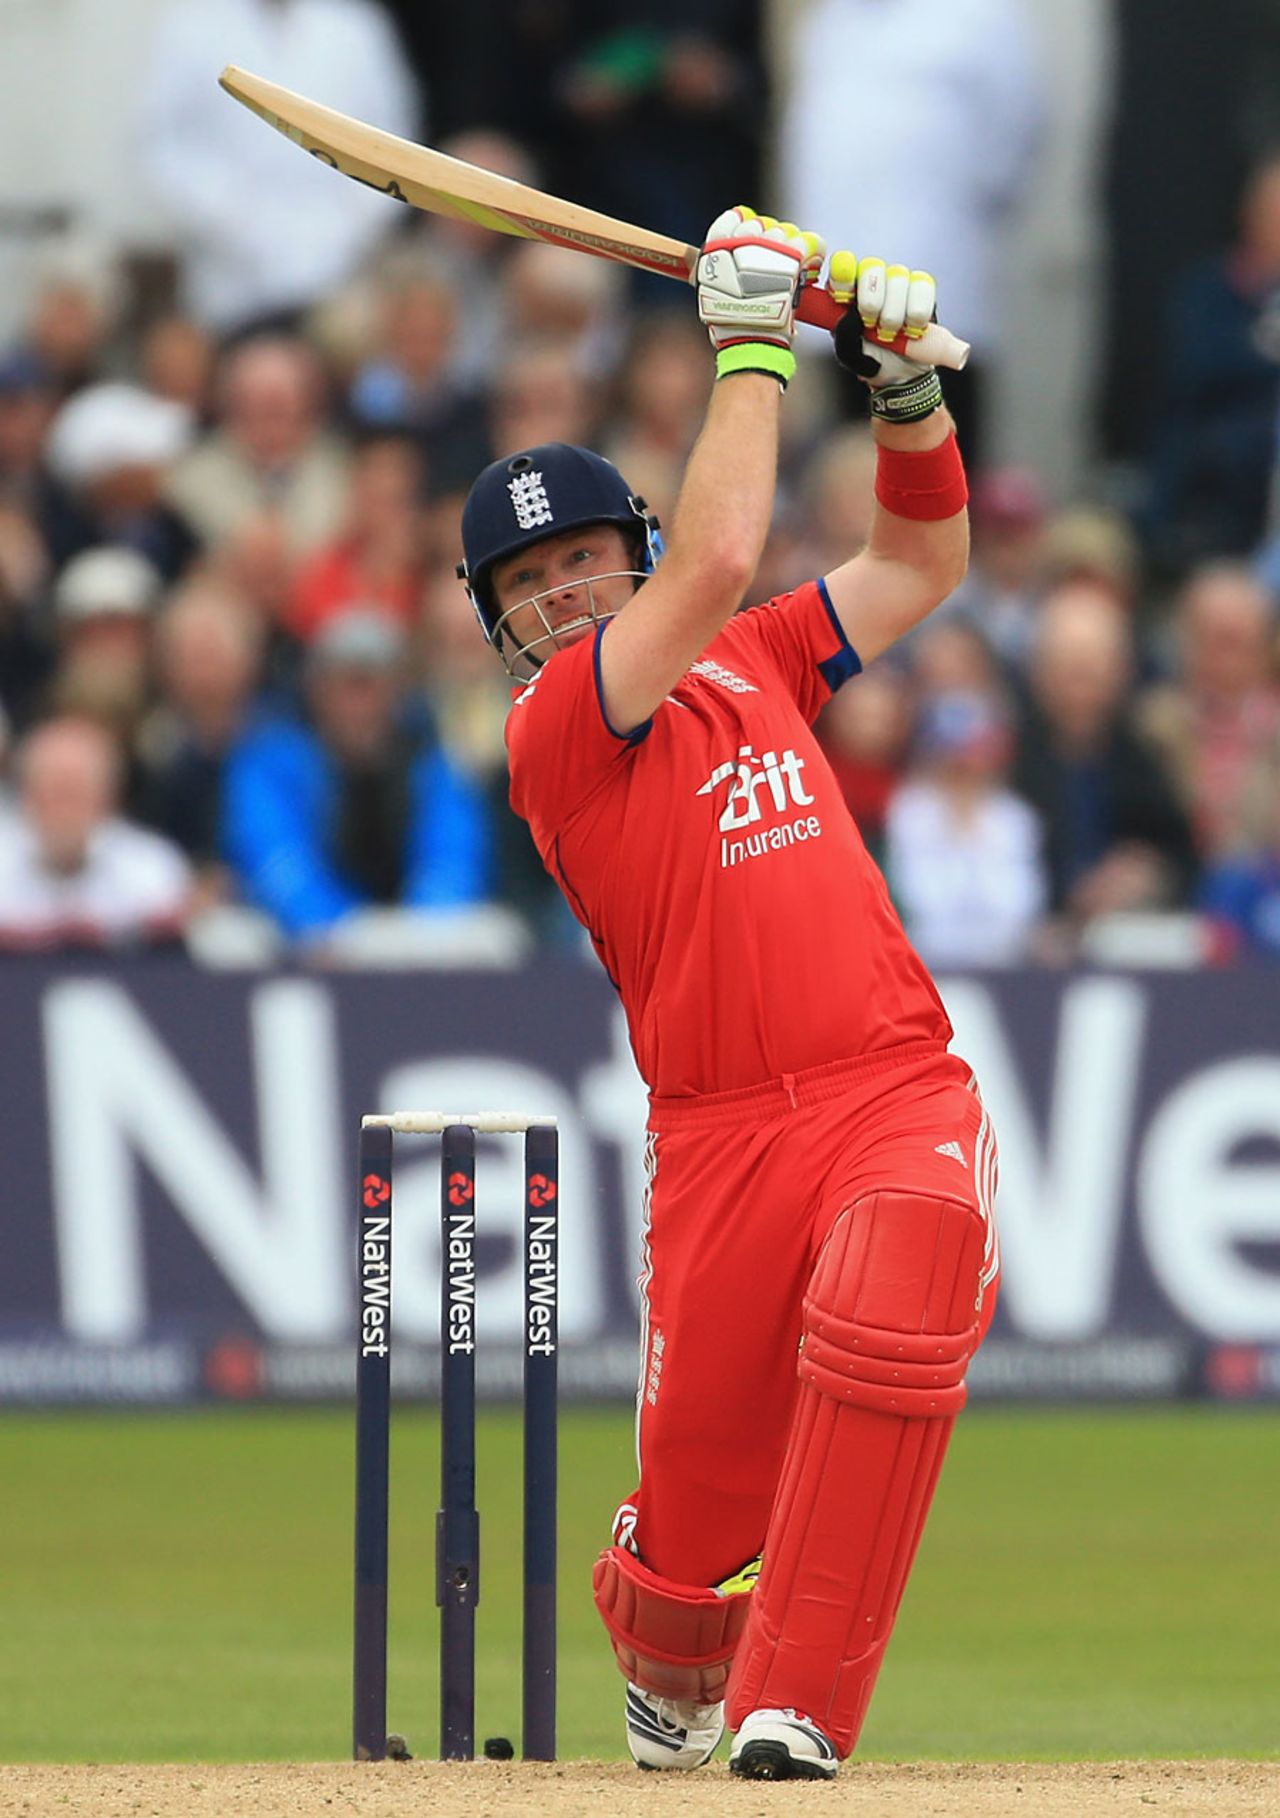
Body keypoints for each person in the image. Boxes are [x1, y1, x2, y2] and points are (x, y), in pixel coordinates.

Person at [458, 209, 999, 1779]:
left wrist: (909, 403)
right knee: (692, 1541)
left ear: (619, 546)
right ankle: (680, 1645)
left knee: (909, 1278)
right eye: (530, 583)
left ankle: (800, 1706)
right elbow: (714, 552)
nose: (563, 597)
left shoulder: (755, 659)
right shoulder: (564, 726)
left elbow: (920, 559)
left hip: (887, 1079)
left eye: (580, 562)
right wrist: (754, 336)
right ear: (504, 627)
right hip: (720, 1139)